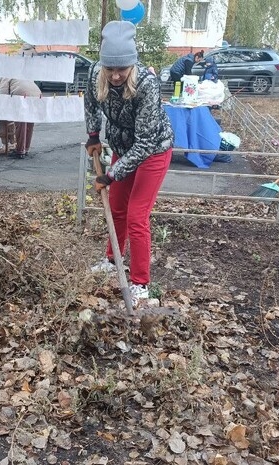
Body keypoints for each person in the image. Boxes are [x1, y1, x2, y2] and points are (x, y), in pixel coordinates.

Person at [84, 21, 174, 304]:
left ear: (132, 65)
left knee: (137, 215)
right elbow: (89, 102)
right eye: (110, 69)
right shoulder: (95, 73)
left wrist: (111, 176)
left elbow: (146, 143)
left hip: (153, 151)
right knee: (117, 208)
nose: (115, 75)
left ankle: (140, 283)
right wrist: (93, 135)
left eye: (121, 69)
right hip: (124, 148)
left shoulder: (146, 85)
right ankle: (112, 260)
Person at [0, 43, 42, 159]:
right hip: (36, 92)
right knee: (29, 121)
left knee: (21, 122)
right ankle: (25, 148)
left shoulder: (5, 72)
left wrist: (2, 107)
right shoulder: (21, 69)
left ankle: (19, 150)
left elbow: (3, 92)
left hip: (22, 94)